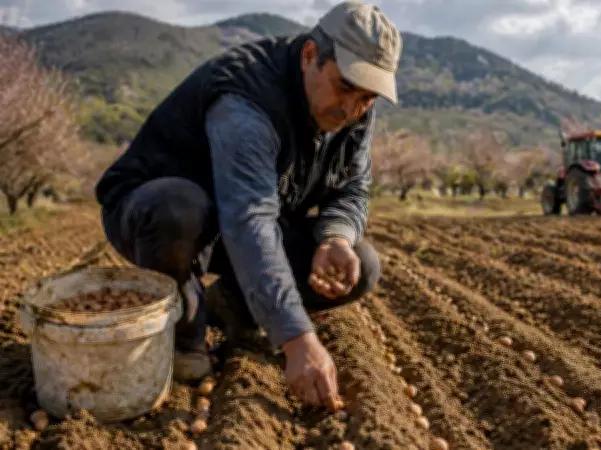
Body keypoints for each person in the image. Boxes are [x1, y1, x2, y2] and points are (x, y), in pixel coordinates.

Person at [93, 1, 402, 411]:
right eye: (345, 86)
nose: (351, 109)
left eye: (367, 97)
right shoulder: (247, 98)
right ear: (310, 56)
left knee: (362, 264)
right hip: (158, 216)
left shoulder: (355, 111)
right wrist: (296, 339)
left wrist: (336, 236)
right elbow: (248, 217)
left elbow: (352, 188)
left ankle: (233, 305)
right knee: (179, 208)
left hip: (239, 224)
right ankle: (184, 328)